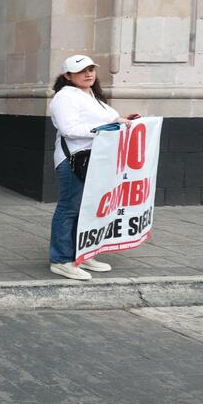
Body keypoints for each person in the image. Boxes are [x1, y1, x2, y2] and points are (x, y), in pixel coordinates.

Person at [48, 55, 127, 281]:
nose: (88, 73)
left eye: (91, 69)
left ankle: (80, 254)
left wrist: (121, 121)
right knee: (69, 207)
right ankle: (61, 260)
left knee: (86, 209)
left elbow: (109, 118)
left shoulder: (91, 95)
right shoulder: (65, 97)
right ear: (67, 75)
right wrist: (109, 126)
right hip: (74, 159)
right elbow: (69, 129)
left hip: (95, 159)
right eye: (82, 70)